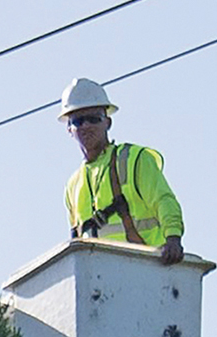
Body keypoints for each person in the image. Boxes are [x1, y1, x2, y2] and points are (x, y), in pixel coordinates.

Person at [60, 78, 185, 265]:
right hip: (100, 279)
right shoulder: (73, 185)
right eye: (78, 121)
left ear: (107, 123)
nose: (85, 125)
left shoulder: (133, 160)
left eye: (93, 118)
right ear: (69, 129)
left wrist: (173, 238)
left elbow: (164, 200)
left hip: (147, 267)